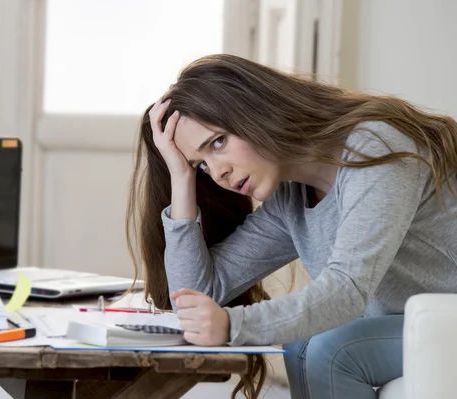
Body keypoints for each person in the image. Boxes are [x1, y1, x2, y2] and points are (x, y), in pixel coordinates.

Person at [125, 54, 457, 399]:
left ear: (256, 110)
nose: (218, 172)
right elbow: (194, 297)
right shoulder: (290, 198)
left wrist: (234, 325)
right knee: (301, 343)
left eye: (218, 142)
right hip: (425, 323)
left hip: (448, 319)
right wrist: (181, 177)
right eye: (203, 166)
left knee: (334, 351)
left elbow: (347, 290)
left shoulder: (376, 146)